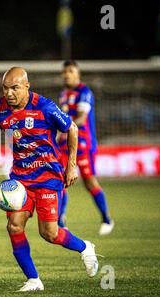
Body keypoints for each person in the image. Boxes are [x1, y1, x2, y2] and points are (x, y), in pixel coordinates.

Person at [0, 67, 99, 291]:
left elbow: (73, 128)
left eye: (14, 88)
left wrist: (71, 166)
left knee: (50, 233)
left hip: (48, 177)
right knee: (14, 226)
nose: (9, 93)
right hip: (20, 179)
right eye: (5, 88)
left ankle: (86, 247)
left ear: (27, 86)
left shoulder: (44, 107)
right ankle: (34, 280)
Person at [58, 60, 114, 235]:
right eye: (65, 71)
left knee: (89, 182)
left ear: (78, 74)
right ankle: (60, 222)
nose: (67, 74)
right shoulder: (63, 94)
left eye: (71, 71)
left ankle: (106, 219)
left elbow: (81, 118)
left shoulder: (84, 92)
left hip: (83, 144)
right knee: (60, 181)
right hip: (64, 144)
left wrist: (63, 127)